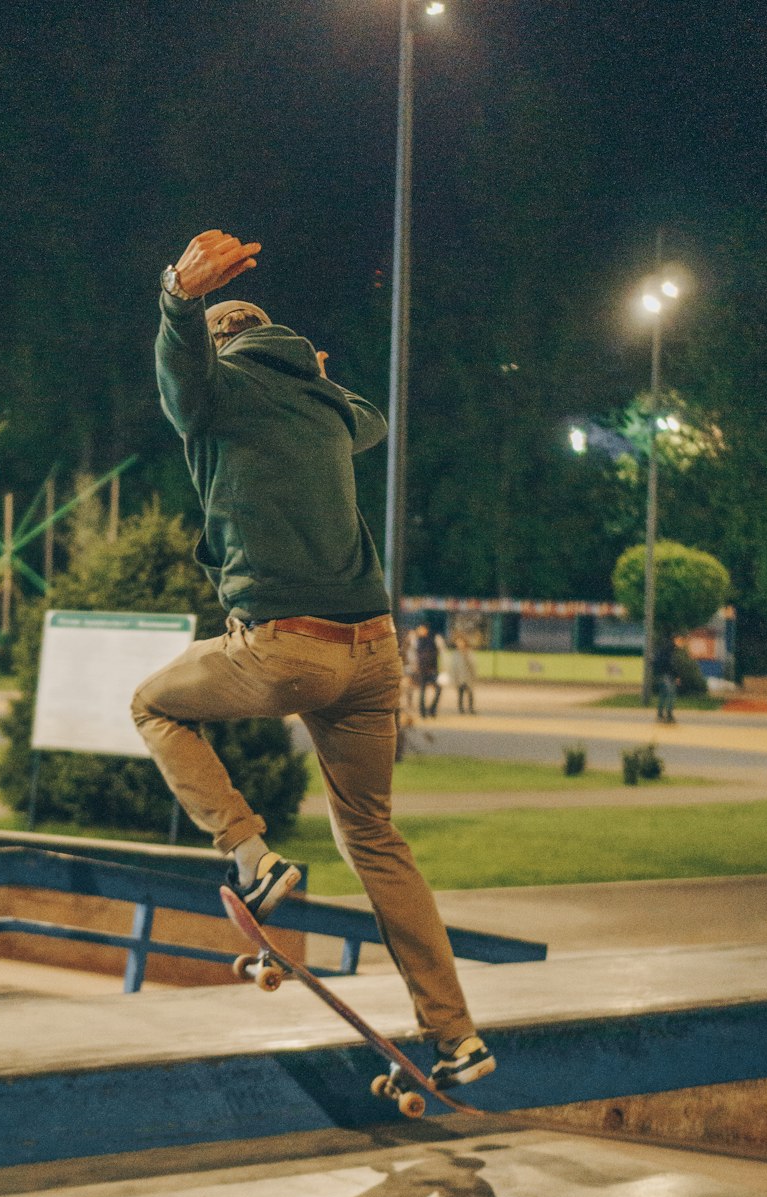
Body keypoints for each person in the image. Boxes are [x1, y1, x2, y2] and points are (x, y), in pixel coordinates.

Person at [130, 229, 495, 1090]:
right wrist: (320, 375)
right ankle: (457, 1036)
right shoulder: (333, 406)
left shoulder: (218, 388)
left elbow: (183, 383)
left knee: (154, 704)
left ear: (226, 345)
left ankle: (254, 858)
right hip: (373, 654)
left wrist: (179, 298)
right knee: (373, 834)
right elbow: (373, 420)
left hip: (286, 646)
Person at [413, 624, 442, 718]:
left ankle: (431, 709)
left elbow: (436, 655)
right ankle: (423, 712)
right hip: (422, 671)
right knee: (422, 691)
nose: (419, 631)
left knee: (438, 689)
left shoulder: (431, 640)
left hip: (431, 670)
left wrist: (435, 669)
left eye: (421, 629)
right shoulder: (417, 641)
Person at [446, 631, 478, 715]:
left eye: (461, 642)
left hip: (468, 677)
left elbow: (473, 665)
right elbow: (453, 667)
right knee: (460, 694)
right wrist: (453, 678)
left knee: (470, 693)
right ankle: (461, 709)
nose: (460, 644)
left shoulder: (469, 653)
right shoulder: (455, 654)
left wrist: (474, 676)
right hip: (459, 677)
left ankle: (471, 708)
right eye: (458, 642)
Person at [653, 636, 679, 724]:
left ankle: (660, 714)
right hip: (667, 675)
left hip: (661, 674)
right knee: (670, 694)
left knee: (663, 695)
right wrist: (676, 676)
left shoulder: (665, 648)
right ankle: (669, 715)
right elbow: (670, 664)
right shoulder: (671, 650)